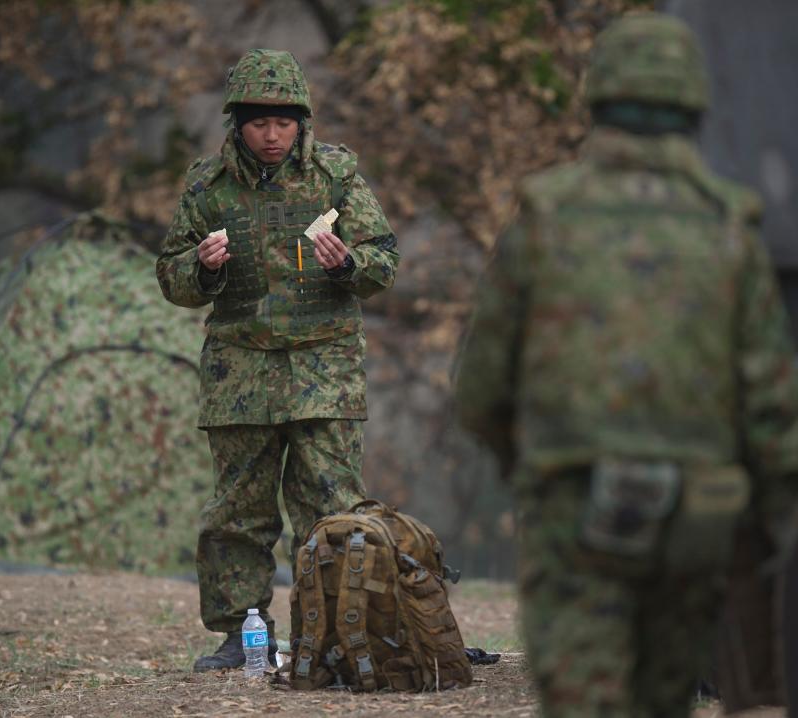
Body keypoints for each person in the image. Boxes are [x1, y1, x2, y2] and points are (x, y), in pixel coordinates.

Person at [453, 12, 798, 717]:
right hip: (695, 514)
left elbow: (480, 388)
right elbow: (771, 405)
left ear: (596, 99)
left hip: (571, 510)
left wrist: (536, 466)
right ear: (693, 103)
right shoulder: (732, 226)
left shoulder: (544, 220)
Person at [155, 48, 398, 672]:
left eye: (283, 122)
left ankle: (339, 635)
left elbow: (384, 261)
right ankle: (242, 634)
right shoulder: (207, 187)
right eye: (259, 122)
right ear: (237, 123)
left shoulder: (336, 179)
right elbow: (171, 277)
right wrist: (201, 269)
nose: (271, 134)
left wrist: (348, 264)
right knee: (239, 509)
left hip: (324, 370)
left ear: (302, 123)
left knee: (333, 507)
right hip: (240, 370)